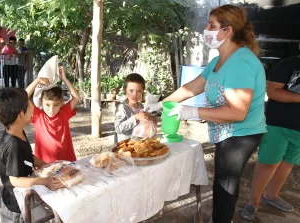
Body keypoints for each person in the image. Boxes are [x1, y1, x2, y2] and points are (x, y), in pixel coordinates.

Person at [146, 5, 266, 223]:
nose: (206, 28)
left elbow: (238, 112)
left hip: (241, 134)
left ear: (227, 31)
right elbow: (193, 87)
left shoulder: (242, 63)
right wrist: (162, 104)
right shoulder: (218, 60)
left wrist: (192, 111)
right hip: (225, 131)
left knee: (225, 184)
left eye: (212, 25)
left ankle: (221, 219)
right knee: (223, 181)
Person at [241, 56, 300, 220]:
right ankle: (253, 202)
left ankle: (271, 195)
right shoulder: (287, 64)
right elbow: (273, 92)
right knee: (267, 163)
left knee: (288, 162)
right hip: (278, 124)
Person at [0, 87, 63, 222]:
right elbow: (15, 180)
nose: (34, 107)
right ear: (21, 114)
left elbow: (28, 157)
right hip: (16, 204)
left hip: (24, 195)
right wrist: (45, 181)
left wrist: (47, 165)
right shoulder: (13, 145)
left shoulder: (18, 130)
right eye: (30, 104)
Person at [26, 66, 81, 163]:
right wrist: (37, 81)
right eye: (47, 105)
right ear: (41, 102)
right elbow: (23, 97)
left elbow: (76, 97)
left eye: (56, 105)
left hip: (66, 163)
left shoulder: (64, 113)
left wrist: (64, 79)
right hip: (44, 165)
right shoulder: (38, 116)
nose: (51, 109)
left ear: (62, 103)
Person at [114, 73, 155, 142]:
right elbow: (118, 129)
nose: (134, 95)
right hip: (126, 147)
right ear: (125, 90)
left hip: (140, 145)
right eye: (131, 91)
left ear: (142, 91)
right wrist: (136, 118)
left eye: (138, 91)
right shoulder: (122, 108)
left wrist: (151, 120)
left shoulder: (142, 107)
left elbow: (144, 127)